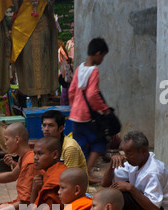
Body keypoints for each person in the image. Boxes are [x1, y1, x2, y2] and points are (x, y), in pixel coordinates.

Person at [101, 131, 168, 210]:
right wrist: (112, 164)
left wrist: (131, 188)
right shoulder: (134, 163)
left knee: (124, 195)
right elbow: (105, 183)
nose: (126, 157)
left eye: (129, 153)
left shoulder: (154, 171)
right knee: (116, 192)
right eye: (124, 153)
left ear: (142, 151)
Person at [68, 37, 110, 183]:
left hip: (75, 115)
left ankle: (79, 176)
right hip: (87, 115)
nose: (102, 60)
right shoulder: (94, 71)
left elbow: (71, 91)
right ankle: (87, 174)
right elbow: (92, 94)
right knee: (99, 143)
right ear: (98, 53)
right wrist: (104, 109)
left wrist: (74, 107)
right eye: (103, 56)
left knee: (81, 145)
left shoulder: (79, 68)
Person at [11, 0, 58, 107]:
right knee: (29, 66)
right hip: (25, 26)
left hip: (43, 26)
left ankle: (45, 99)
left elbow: (50, 6)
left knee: (45, 65)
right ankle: (33, 101)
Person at [41, 109, 88, 179]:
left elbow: (70, 178)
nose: (46, 129)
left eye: (50, 125)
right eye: (44, 125)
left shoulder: (70, 147)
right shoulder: (46, 144)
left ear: (61, 129)